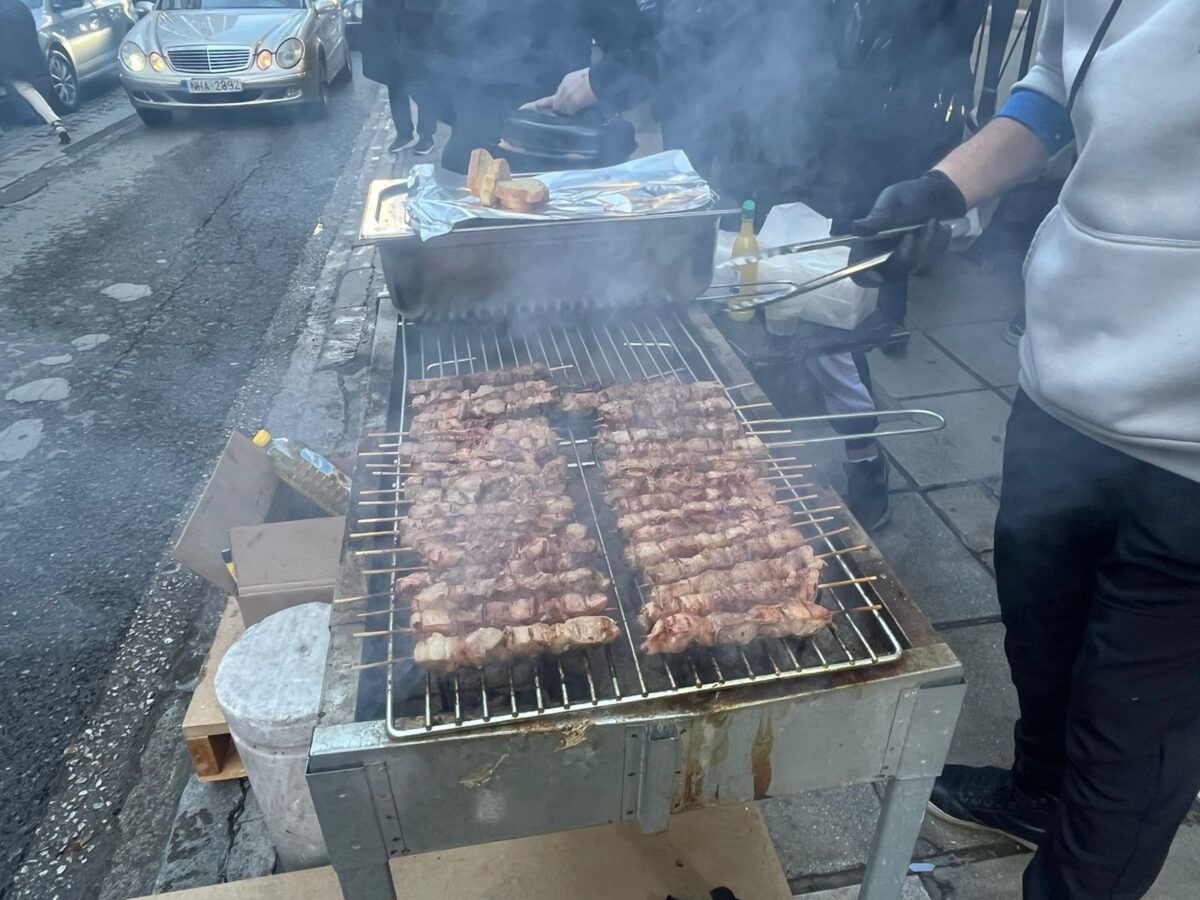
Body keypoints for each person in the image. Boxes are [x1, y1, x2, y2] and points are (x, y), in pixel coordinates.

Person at [853, 1, 1200, 896]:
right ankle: (1038, 790)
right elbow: (1057, 85)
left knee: (1135, 726)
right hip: (1067, 374)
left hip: (1191, 452)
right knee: (1041, 632)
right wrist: (949, 184)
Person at [529, 0, 985, 531]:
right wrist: (612, 77)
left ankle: (862, 453)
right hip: (728, 148)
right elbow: (683, 29)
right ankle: (707, 454)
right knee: (719, 301)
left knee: (823, 323)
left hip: (818, 150)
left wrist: (605, 78)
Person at [431, 0, 646, 174]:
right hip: (476, 149)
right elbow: (428, 41)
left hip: (559, 142)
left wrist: (599, 82)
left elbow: (636, 49)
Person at [360, 0, 437, 154]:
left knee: (422, 87)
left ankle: (427, 135)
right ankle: (404, 134)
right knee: (395, 86)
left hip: (417, 33)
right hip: (389, 35)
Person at [0, 0, 70, 145]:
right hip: (25, 57)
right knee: (27, 89)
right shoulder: (19, 6)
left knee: (22, 89)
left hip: (4, 59)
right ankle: (56, 122)